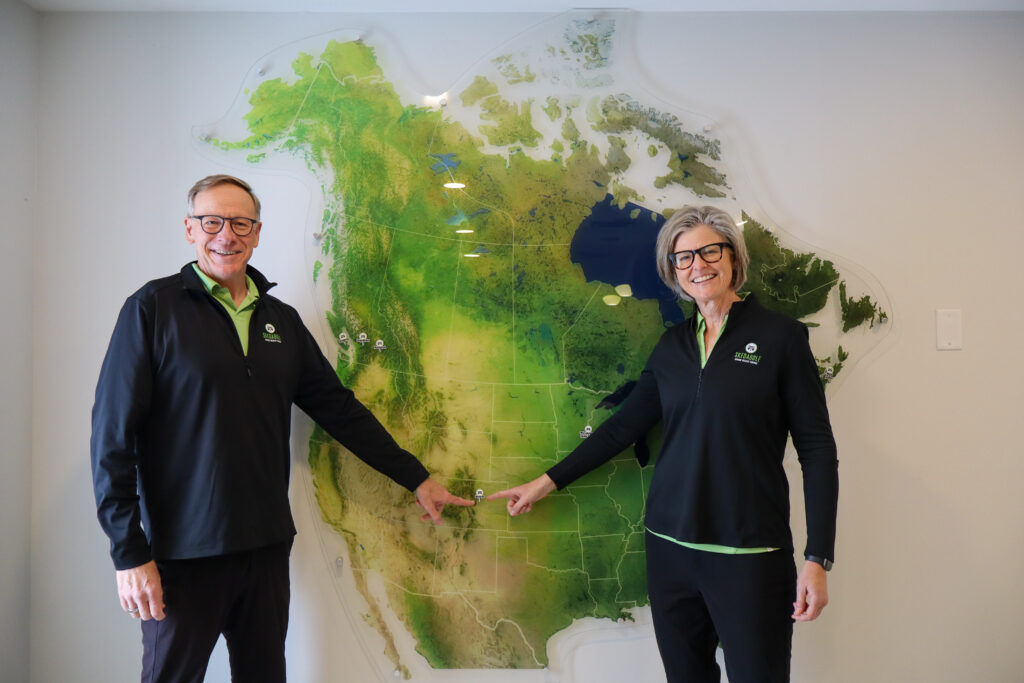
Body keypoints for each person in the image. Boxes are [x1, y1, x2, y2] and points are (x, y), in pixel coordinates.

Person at [90, 174, 474, 682]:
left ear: (256, 232)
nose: (226, 235)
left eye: (240, 223)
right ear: (189, 229)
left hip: (266, 548)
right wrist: (128, 554)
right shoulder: (152, 309)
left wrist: (416, 478)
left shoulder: (282, 320)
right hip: (183, 554)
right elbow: (112, 440)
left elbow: (339, 410)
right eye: (212, 221)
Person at [489, 205, 838, 682]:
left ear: (733, 257)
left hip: (749, 556)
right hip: (670, 552)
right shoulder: (673, 345)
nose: (698, 265)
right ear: (673, 271)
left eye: (709, 251)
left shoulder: (781, 338)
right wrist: (545, 482)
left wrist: (818, 557)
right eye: (683, 257)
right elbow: (621, 429)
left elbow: (817, 450)